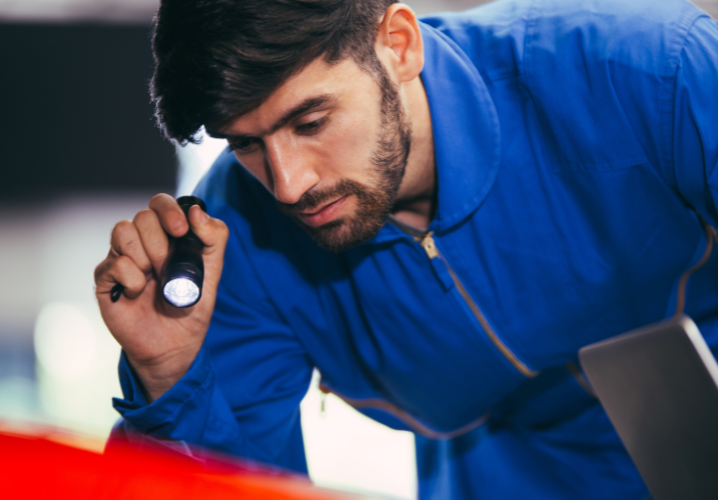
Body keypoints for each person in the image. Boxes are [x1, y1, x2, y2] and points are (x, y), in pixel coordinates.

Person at [93, 0, 718, 498]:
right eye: (246, 144)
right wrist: (171, 378)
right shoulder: (234, 242)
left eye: (310, 122)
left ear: (398, 45)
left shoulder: (647, 72)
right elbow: (244, 492)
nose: (289, 184)